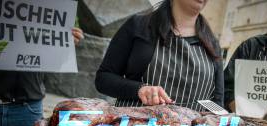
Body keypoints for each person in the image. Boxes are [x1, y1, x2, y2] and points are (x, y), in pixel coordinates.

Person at [95, 0, 224, 111]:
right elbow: (103, 79)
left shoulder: (212, 44)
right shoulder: (139, 25)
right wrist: (139, 89)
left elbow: (217, 103)